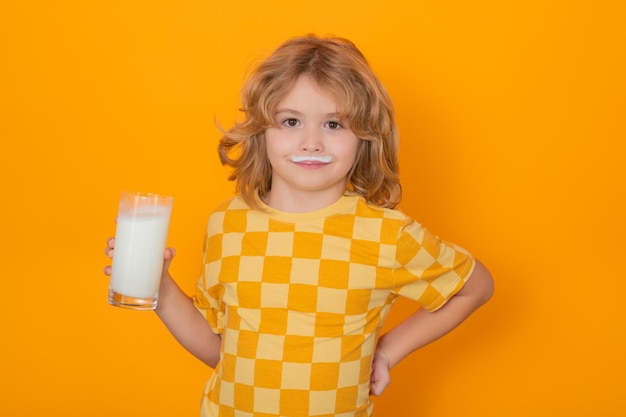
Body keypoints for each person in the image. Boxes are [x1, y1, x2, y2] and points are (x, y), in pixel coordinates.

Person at [104, 34, 494, 417]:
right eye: (291, 121)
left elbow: (474, 288)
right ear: (262, 130)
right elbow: (219, 350)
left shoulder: (386, 235)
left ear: (365, 137)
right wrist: (159, 286)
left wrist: (388, 351)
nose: (311, 143)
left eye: (334, 125)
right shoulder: (227, 223)